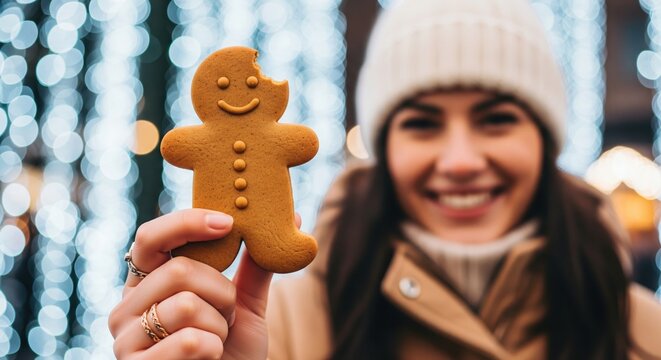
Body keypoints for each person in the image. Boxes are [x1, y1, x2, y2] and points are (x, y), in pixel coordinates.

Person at [108, 0, 661, 359]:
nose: (461, 159)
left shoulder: (642, 331)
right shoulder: (272, 329)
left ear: (544, 140)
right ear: (384, 146)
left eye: (497, 120)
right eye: (422, 124)